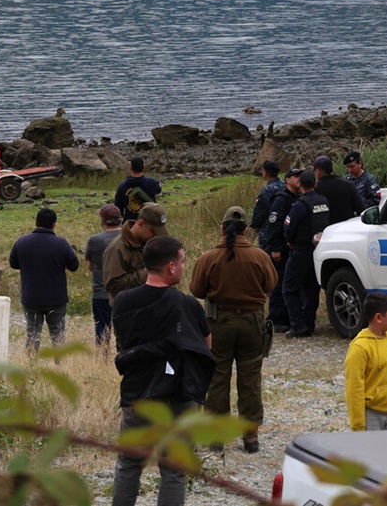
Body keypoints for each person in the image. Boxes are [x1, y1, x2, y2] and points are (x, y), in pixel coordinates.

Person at [111, 236, 214, 506]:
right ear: (170, 266)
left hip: (138, 392)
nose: (183, 267)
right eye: (182, 262)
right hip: (178, 393)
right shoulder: (189, 305)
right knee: (174, 470)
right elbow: (205, 347)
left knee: (129, 464)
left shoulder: (122, 302)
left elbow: (122, 343)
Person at [189, 206, 277, 453]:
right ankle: (250, 437)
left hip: (219, 323)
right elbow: (270, 284)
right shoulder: (260, 256)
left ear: (222, 229)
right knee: (250, 378)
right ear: (246, 230)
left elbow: (196, 290)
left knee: (217, 377)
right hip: (251, 323)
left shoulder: (209, 257)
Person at [9, 207, 80, 354]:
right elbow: (74, 266)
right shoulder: (61, 243)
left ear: (36, 222)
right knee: (58, 334)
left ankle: (30, 367)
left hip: (31, 297)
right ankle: (61, 367)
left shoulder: (22, 242)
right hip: (56, 298)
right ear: (54, 224)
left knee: (32, 333)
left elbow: (13, 264)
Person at [344, 292, 387, 431]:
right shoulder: (360, 347)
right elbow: (354, 387)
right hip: (372, 415)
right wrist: (358, 423)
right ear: (378, 317)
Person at [281, 170, 330, 337]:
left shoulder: (301, 205)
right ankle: (309, 323)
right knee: (311, 289)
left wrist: (289, 241)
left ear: (300, 185)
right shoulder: (324, 201)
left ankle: (297, 324)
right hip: (318, 251)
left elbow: (289, 227)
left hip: (300, 250)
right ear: (315, 184)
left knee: (289, 288)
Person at [102, 202, 170, 306]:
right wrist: (148, 274)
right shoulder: (117, 248)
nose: (156, 236)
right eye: (153, 231)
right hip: (128, 312)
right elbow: (113, 285)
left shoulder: (152, 244)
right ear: (141, 224)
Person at [261, 168, 302, 333]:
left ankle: (289, 316)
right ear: (287, 180)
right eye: (295, 176)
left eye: (300, 176)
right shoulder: (280, 199)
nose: (299, 179)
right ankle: (277, 319)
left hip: (294, 248)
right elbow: (274, 225)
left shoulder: (299, 197)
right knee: (278, 284)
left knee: (291, 283)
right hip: (281, 249)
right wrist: (276, 248)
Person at [85, 205, 124, 345]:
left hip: (101, 291)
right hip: (124, 292)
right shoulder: (127, 237)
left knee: (102, 329)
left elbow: (90, 265)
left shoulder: (94, 240)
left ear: (103, 221)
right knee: (124, 329)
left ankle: (102, 359)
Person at [313, 155, 365, 225]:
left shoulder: (315, 189)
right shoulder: (348, 185)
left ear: (318, 172)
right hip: (347, 229)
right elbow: (361, 210)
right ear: (332, 169)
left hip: (325, 231)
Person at [114, 157, 163, 222]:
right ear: (143, 167)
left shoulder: (122, 186)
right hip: (148, 222)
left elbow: (118, 208)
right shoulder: (151, 182)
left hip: (130, 224)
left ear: (131, 168)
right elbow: (159, 190)